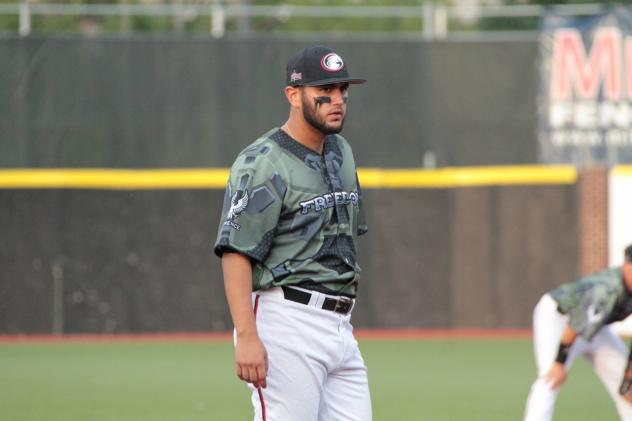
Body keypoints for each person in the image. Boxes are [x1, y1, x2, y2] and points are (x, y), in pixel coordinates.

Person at [214, 45, 371, 421]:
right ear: (293, 94)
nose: (337, 100)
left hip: (339, 325)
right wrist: (247, 335)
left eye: (342, 91)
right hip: (286, 322)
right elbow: (236, 251)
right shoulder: (263, 162)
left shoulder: (341, 151)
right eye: (325, 91)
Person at [524, 244, 632, 420]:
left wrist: (629, 372)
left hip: (595, 326)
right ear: (627, 266)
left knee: (629, 386)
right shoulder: (609, 288)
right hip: (559, 319)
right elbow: (576, 324)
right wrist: (559, 362)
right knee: (550, 378)